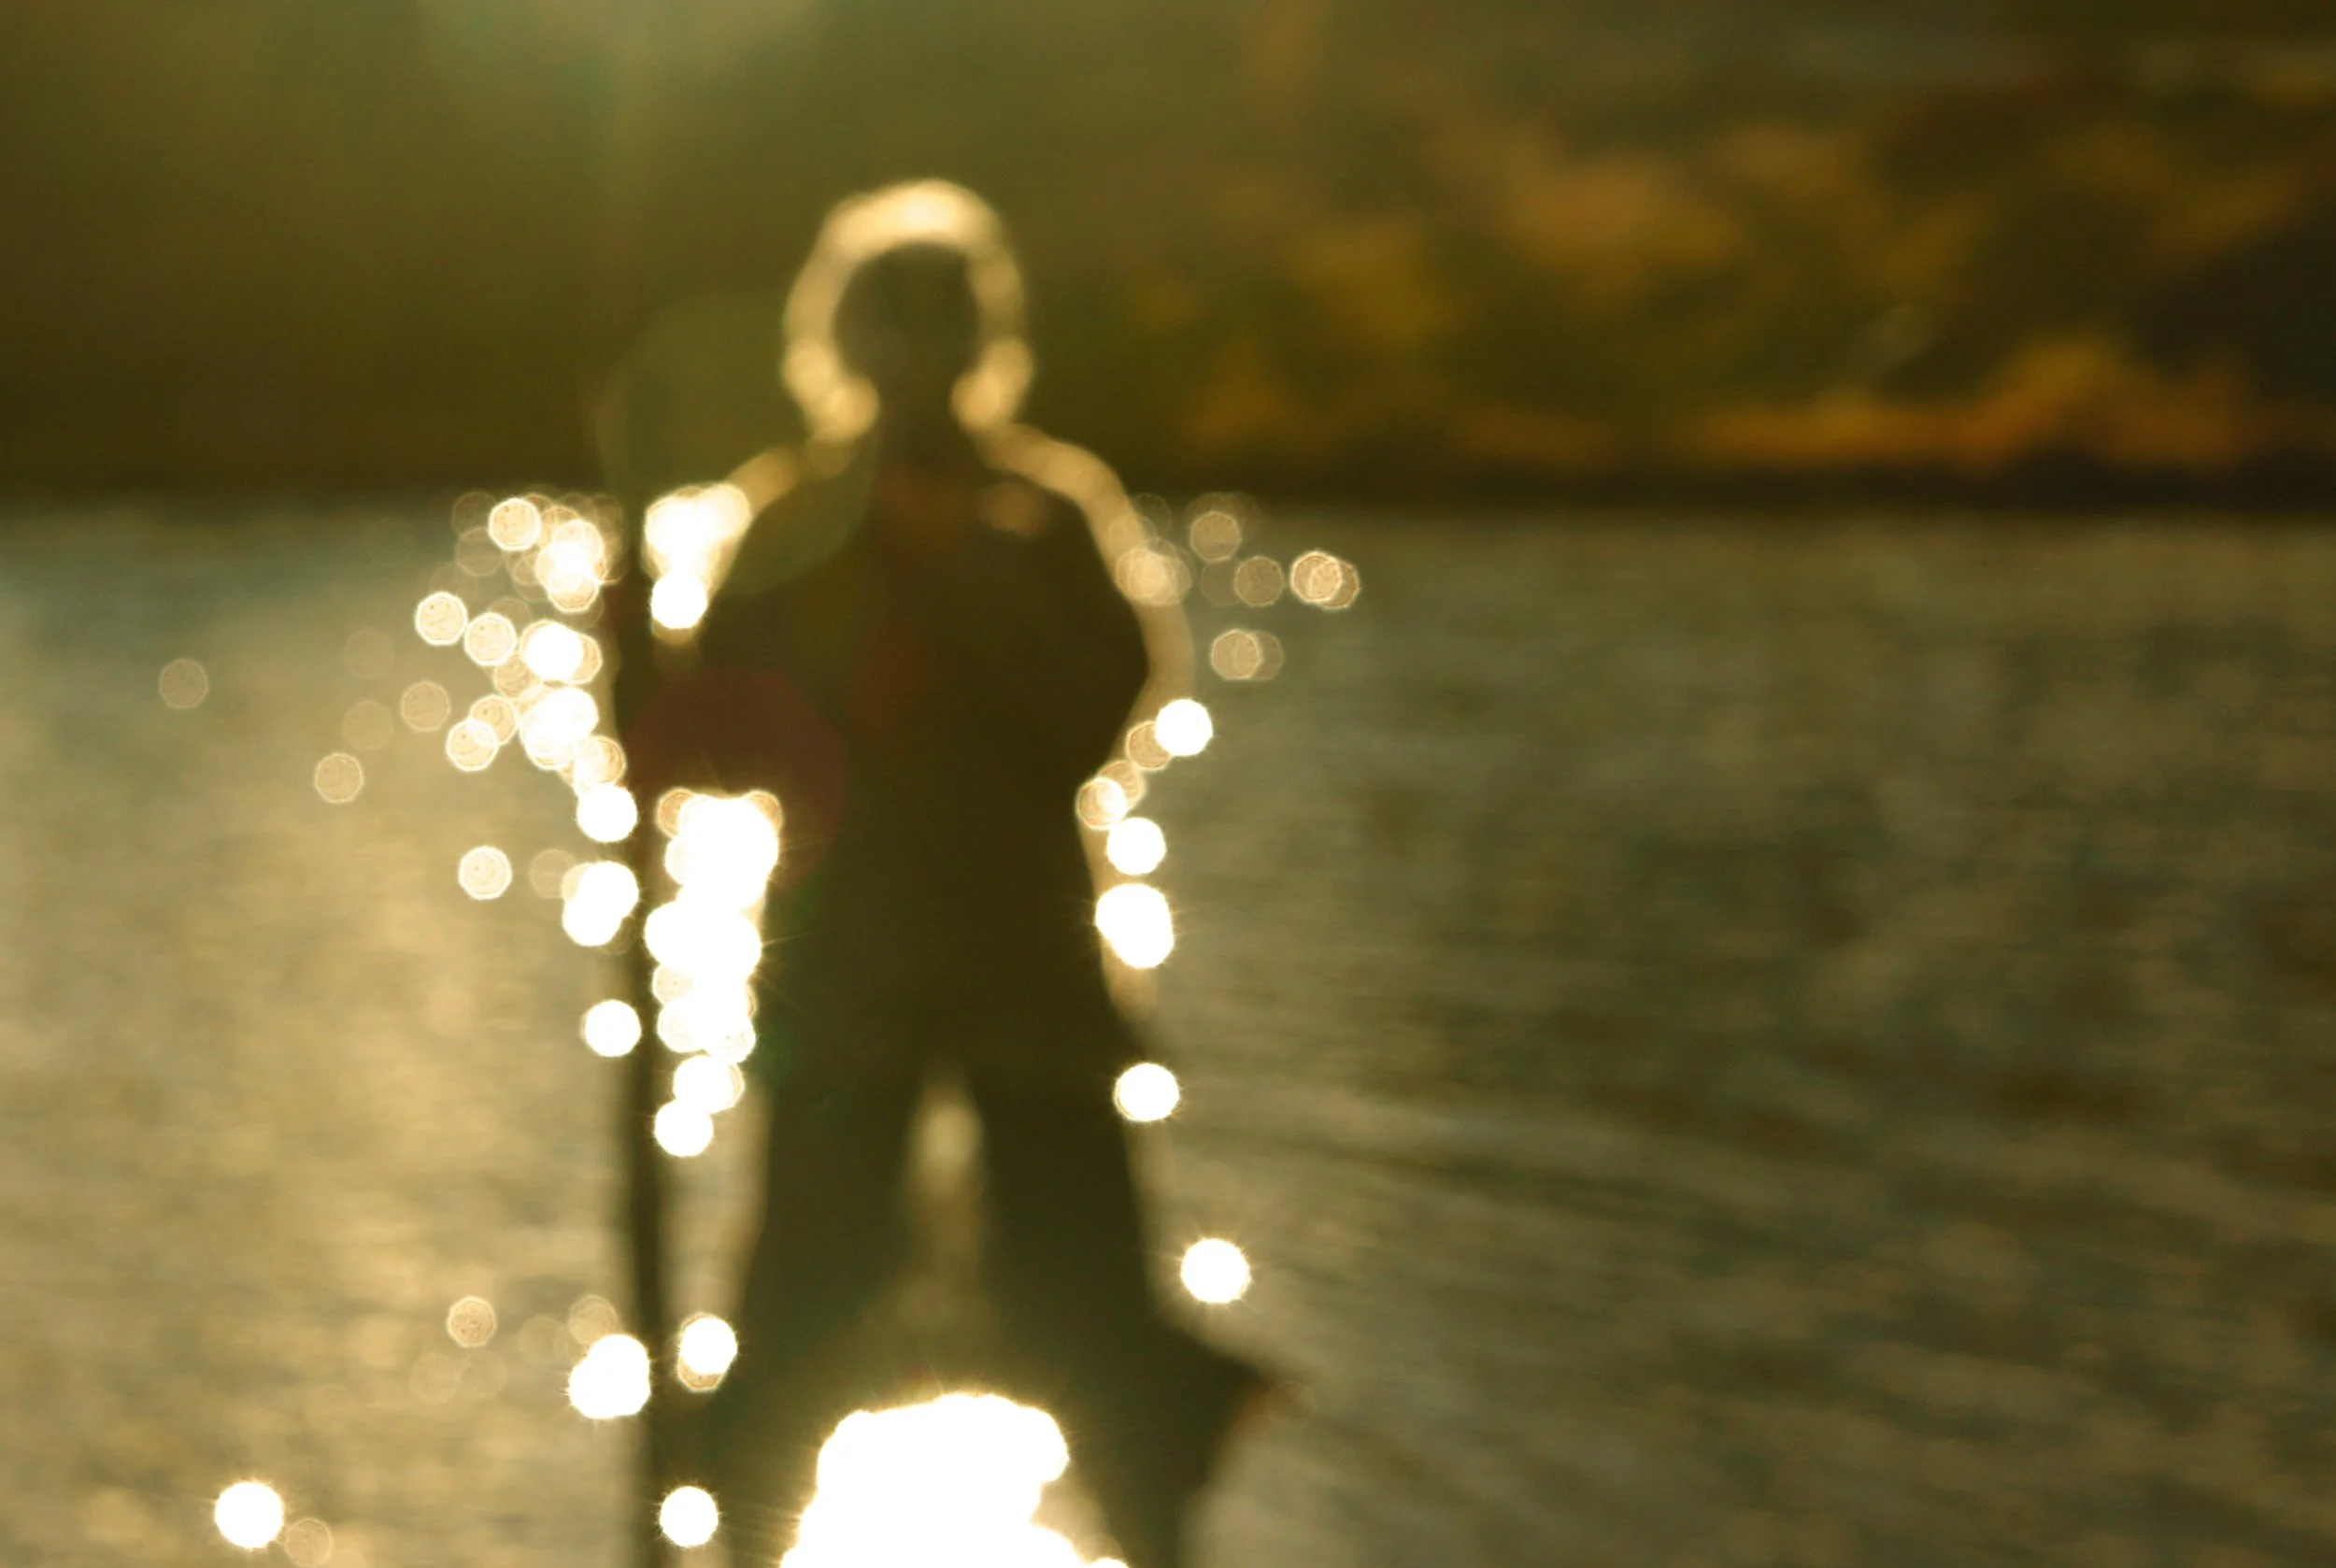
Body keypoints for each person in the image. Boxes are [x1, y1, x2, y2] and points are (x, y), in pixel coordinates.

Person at [623, 183, 1269, 1568]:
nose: (914, 360)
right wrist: (636, 663)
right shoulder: (788, 520)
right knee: (799, 1310)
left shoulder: (1045, 514)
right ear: (843, 343)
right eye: (890, 329)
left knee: (1095, 1312)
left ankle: (1156, 1538)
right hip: (843, 980)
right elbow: (712, 740)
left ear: (982, 342)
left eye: (938, 329)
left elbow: (1097, 715)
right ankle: (746, 1542)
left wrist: (952, 567)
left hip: (1026, 980)